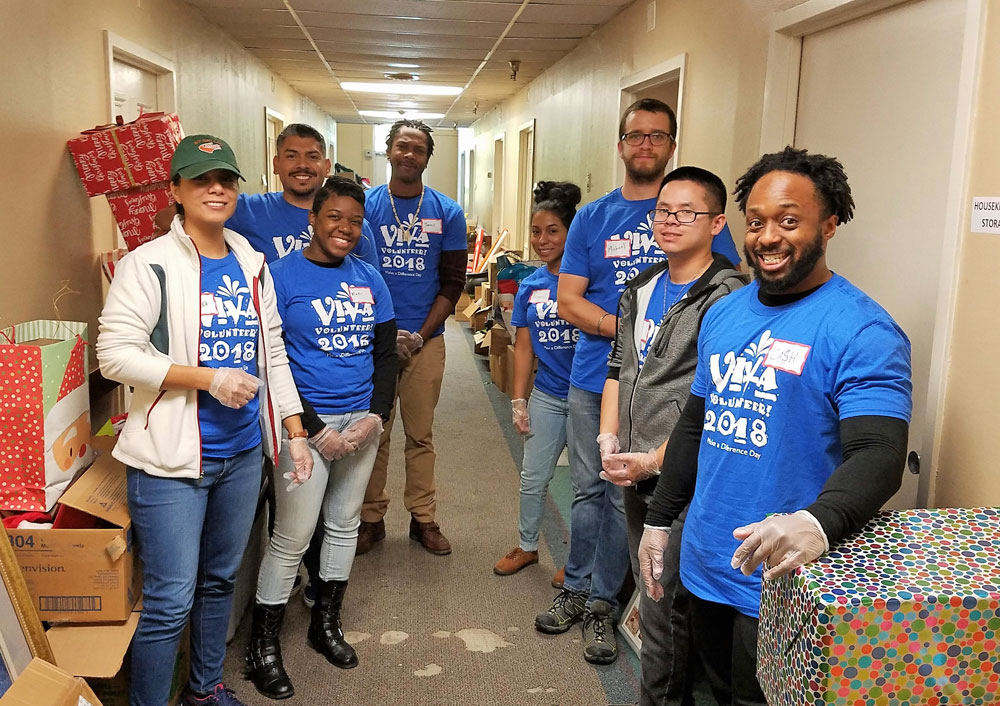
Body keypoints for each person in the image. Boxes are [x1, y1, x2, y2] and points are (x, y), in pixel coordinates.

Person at [639, 146, 912, 704]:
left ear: (829, 225)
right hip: (707, 559)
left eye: (789, 221)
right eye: (757, 221)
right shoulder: (725, 311)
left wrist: (816, 521)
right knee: (713, 692)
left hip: (786, 575)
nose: (768, 237)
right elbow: (695, 424)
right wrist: (660, 519)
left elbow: (879, 453)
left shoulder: (862, 330)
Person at [97, 134, 313, 706]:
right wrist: (206, 378)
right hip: (170, 463)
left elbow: (272, 354)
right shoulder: (149, 264)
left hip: (240, 455)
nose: (216, 189)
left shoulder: (251, 262)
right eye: (200, 179)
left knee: (220, 582)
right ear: (175, 189)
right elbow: (114, 356)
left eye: (225, 180)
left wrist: (293, 433)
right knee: (170, 600)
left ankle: (204, 688)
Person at [539, 97, 739, 665]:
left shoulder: (697, 210)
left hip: (667, 396)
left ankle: (604, 605)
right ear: (620, 144)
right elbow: (568, 300)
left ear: (672, 145)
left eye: (657, 135)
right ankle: (577, 588)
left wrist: (648, 339)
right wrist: (628, 330)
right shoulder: (594, 217)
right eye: (635, 135)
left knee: (634, 498)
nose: (645, 144)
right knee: (590, 491)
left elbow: (723, 293)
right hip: (598, 380)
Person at [244, 177, 397, 700]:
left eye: (355, 221)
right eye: (334, 217)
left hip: (361, 422)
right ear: (313, 219)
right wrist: (312, 429)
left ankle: (325, 624)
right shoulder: (280, 276)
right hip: (302, 426)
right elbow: (272, 361)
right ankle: (263, 646)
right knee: (293, 535)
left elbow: (384, 355)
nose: (345, 229)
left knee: (344, 524)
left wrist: (375, 417)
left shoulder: (370, 278)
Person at [599, 167, 746, 705]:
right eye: (663, 210)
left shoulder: (728, 297)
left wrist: (655, 460)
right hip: (634, 470)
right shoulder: (641, 287)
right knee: (654, 595)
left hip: (685, 475)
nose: (671, 220)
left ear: (716, 224)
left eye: (687, 212)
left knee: (664, 608)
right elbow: (618, 367)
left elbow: (718, 400)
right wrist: (609, 437)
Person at [357, 119, 467, 555]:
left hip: (427, 341)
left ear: (426, 158)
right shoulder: (365, 207)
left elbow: (453, 283)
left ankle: (423, 519)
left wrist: (419, 335)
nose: (409, 155)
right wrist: (383, 334)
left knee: (421, 436)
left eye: (418, 149)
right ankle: (371, 519)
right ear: (388, 151)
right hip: (372, 343)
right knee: (374, 434)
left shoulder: (447, 212)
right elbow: (352, 274)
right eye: (402, 146)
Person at [493, 181, 582, 577]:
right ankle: (527, 546)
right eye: (535, 231)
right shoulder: (530, 285)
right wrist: (518, 399)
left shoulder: (588, 282)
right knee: (533, 477)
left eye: (552, 231)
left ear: (570, 232)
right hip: (546, 394)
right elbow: (524, 348)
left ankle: (578, 561)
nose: (542, 240)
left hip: (587, 397)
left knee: (584, 485)